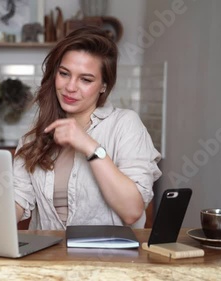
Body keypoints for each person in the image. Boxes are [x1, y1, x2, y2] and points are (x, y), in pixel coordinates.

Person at [13, 26, 162, 230]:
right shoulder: (34, 138)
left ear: (103, 86)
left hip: (107, 260)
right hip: (47, 259)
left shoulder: (125, 125)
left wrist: (89, 146)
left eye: (85, 79)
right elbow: (19, 200)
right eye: (64, 74)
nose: (71, 87)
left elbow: (132, 211)